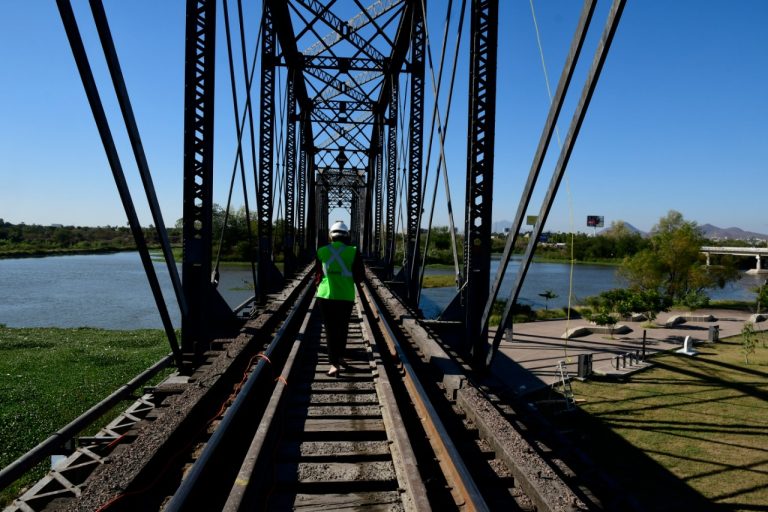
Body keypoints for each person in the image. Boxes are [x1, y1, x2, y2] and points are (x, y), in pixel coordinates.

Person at [315, 221, 364, 377]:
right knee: (342, 328)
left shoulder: (321, 251)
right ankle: (340, 357)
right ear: (346, 235)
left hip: (325, 296)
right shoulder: (354, 252)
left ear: (331, 236)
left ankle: (334, 364)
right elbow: (360, 276)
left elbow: (318, 274)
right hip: (345, 296)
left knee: (330, 330)